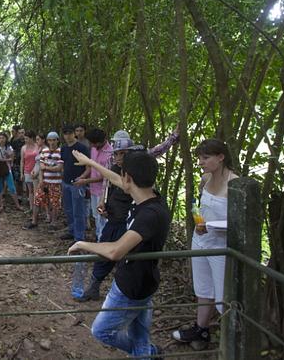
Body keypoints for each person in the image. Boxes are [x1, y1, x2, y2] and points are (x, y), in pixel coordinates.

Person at [69, 150, 170, 359]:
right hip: (145, 281)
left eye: (122, 174)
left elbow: (115, 251)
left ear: (129, 179)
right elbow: (114, 177)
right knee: (140, 333)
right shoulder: (148, 196)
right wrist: (89, 162)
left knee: (100, 330)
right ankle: (145, 352)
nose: (119, 178)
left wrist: (83, 244)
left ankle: (145, 353)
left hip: (131, 285)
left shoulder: (150, 215)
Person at [74, 128, 180, 302]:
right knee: (107, 250)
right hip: (115, 216)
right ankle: (95, 285)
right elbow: (111, 180)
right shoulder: (118, 170)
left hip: (132, 231)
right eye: (116, 153)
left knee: (126, 255)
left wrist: (173, 138)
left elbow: (159, 150)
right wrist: (103, 202)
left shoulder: (149, 206)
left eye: (122, 153)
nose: (118, 157)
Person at [172, 139, 237, 349]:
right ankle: (201, 330)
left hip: (220, 246)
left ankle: (230, 341)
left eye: (206, 158)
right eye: (200, 157)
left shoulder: (235, 184)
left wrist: (215, 226)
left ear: (221, 157)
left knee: (222, 298)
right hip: (200, 240)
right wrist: (200, 223)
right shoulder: (205, 178)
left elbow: (238, 223)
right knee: (203, 289)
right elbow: (202, 208)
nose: (201, 162)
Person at [73, 128, 112, 241]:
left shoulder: (110, 153)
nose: (92, 145)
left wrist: (85, 181)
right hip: (93, 190)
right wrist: (83, 177)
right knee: (95, 216)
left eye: (93, 143)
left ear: (100, 141)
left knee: (102, 217)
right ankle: (99, 237)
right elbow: (91, 166)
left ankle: (103, 240)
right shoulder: (94, 149)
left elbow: (105, 176)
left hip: (103, 193)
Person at [60, 124, 91, 241]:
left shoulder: (82, 148)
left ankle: (79, 237)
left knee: (78, 211)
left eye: (70, 133)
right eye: (65, 133)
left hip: (78, 183)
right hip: (66, 182)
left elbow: (89, 166)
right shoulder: (63, 148)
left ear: (74, 134)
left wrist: (82, 178)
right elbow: (63, 163)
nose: (68, 136)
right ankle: (72, 231)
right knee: (68, 209)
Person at [33, 132, 64, 230]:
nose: (52, 142)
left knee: (55, 203)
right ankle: (34, 221)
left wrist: (47, 167)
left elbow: (59, 168)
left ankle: (53, 223)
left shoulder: (60, 152)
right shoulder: (44, 151)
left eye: (54, 140)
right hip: (44, 181)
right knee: (37, 200)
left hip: (56, 182)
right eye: (50, 140)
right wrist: (41, 180)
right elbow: (41, 167)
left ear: (57, 140)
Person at [0, 132, 23, 212]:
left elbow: (12, 158)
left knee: (12, 187)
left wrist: (4, 159)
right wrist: (6, 159)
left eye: (3, 138)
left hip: (7, 169)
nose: (1, 140)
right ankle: (1, 205)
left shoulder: (9, 147)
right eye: (0, 138)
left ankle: (17, 205)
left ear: (6, 139)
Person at [20, 130, 40, 228]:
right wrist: (21, 172)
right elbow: (22, 161)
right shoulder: (23, 148)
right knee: (30, 191)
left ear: (31, 138)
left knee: (37, 192)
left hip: (36, 172)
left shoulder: (37, 146)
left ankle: (37, 211)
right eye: (25, 139)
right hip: (27, 171)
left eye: (27, 138)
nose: (25, 140)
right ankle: (32, 208)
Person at [10, 125, 26, 198]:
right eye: (19, 133)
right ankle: (18, 196)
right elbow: (12, 152)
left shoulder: (27, 142)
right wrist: (12, 162)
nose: (21, 134)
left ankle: (28, 197)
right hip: (17, 163)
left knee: (28, 181)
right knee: (18, 180)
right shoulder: (14, 142)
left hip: (26, 163)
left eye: (22, 132)